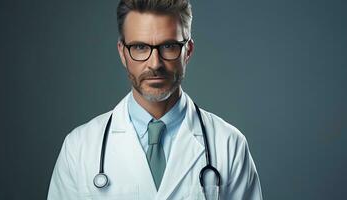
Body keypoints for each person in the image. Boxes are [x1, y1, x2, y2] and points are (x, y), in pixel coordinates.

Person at [47, 0, 263, 199]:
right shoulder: (79, 148)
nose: (155, 64)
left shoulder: (228, 144)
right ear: (122, 53)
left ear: (187, 51)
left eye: (168, 46)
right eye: (140, 47)